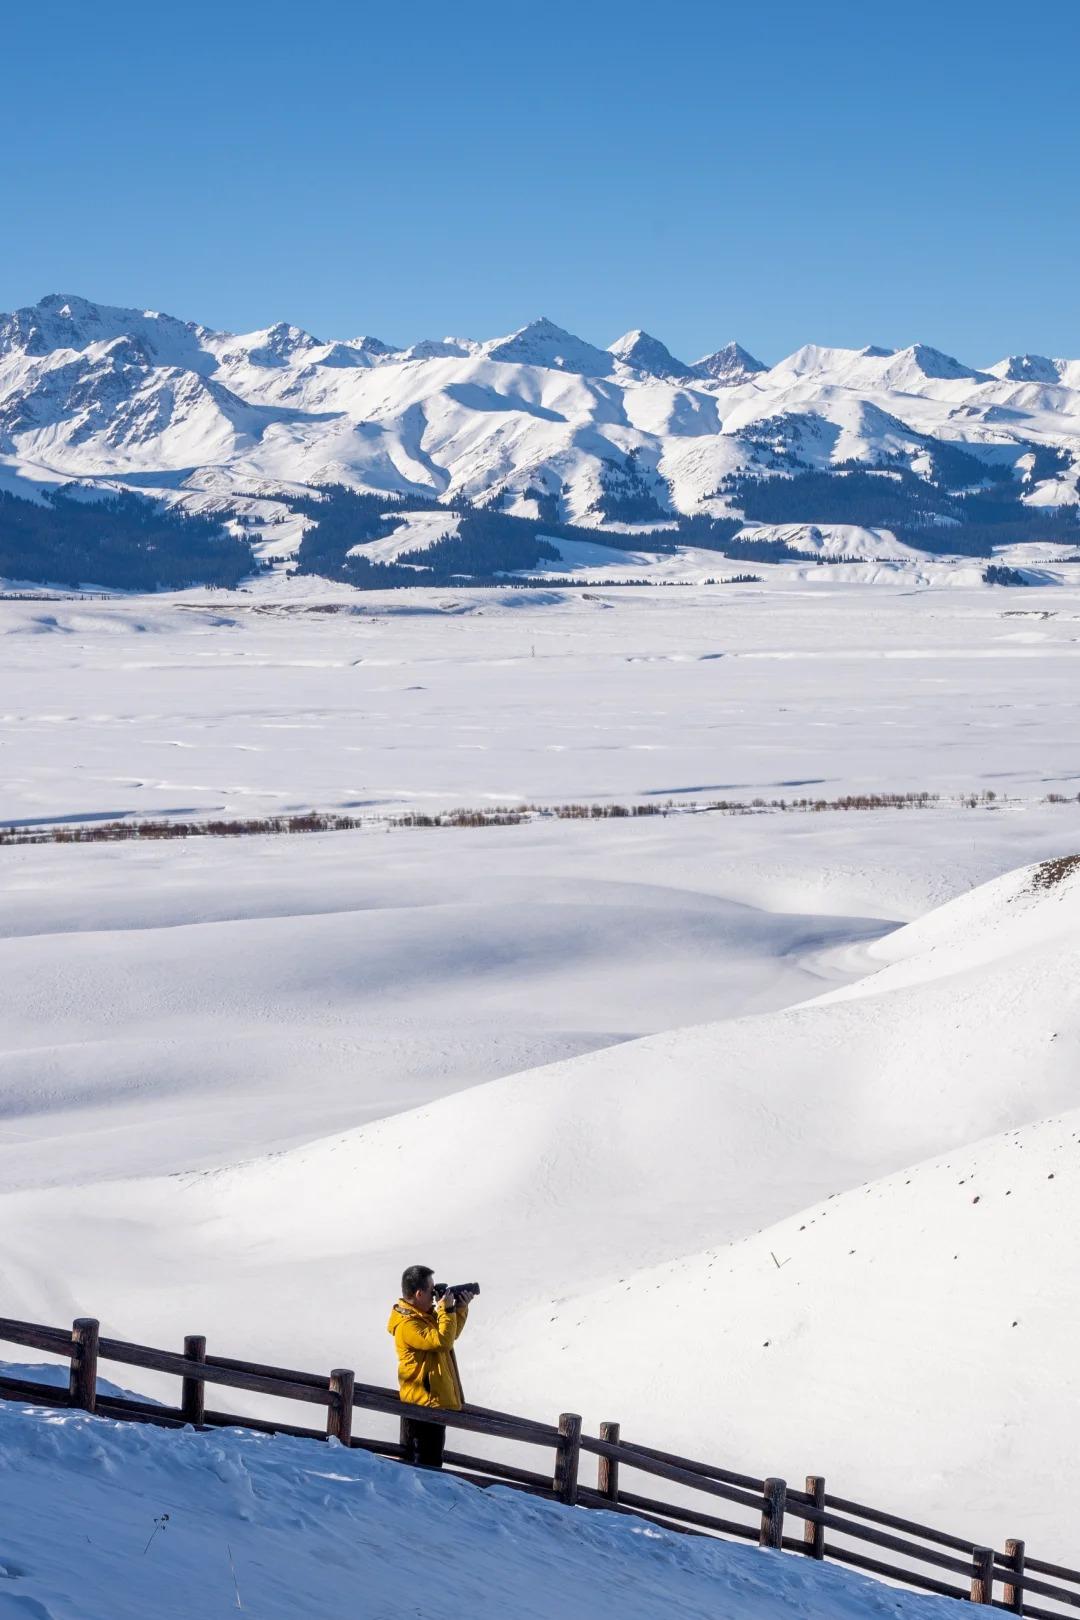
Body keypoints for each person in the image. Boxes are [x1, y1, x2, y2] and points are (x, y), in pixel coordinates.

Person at [387, 1265, 474, 1469]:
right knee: (423, 1467)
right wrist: (446, 1309)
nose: (435, 1295)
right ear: (419, 1293)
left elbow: (450, 1337)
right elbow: (442, 1341)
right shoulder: (409, 1324)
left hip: (431, 1403)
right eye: (431, 1290)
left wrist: (458, 1309)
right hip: (422, 1405)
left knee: (432, 1464)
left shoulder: (423, 1317)